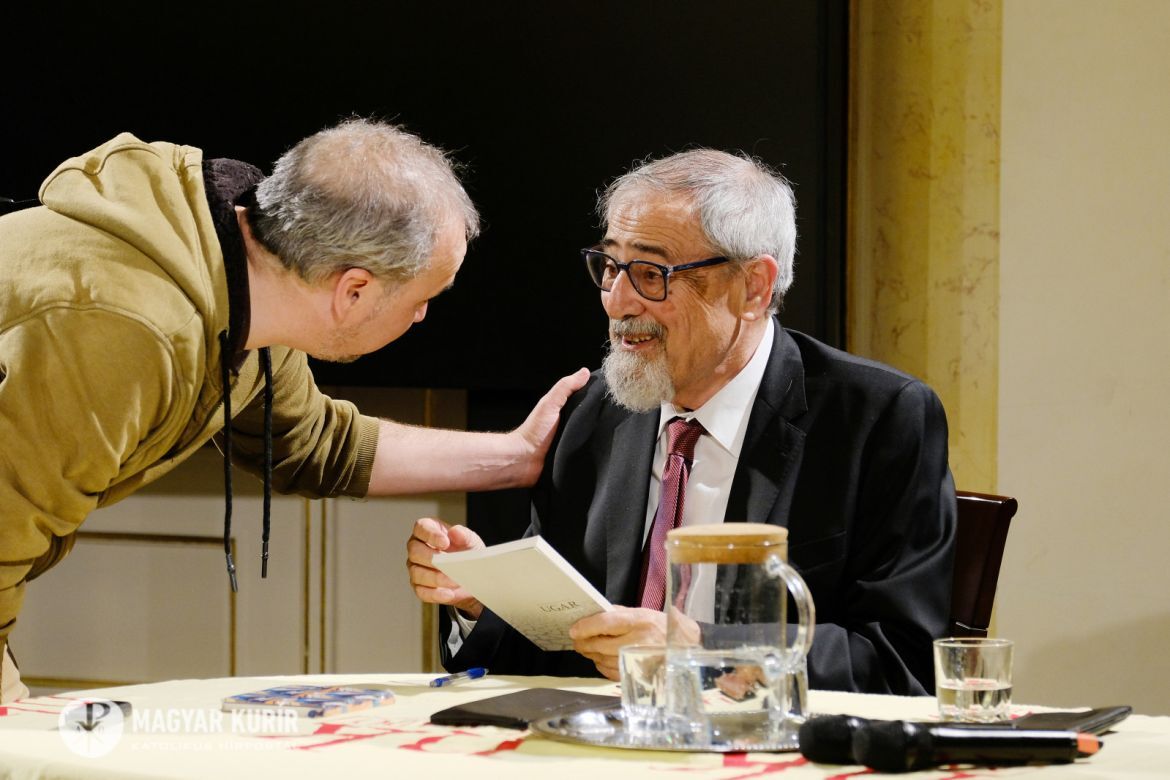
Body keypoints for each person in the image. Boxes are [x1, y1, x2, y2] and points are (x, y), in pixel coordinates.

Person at [0, 119, 588, 702]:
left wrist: (517, 456)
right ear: (353, 291)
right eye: (422, 298)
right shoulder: (130, 330)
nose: (421, 317)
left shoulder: (249, 280)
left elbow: (315, 444)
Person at [406, 149, 956, 695]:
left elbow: (901, 663)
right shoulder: (590, 414)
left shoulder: (877, 420)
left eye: (651, 274)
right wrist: (482, 600)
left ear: (753, 287)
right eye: (610, 267)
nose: (617, 302)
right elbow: (560, 651)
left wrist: (707, 652)